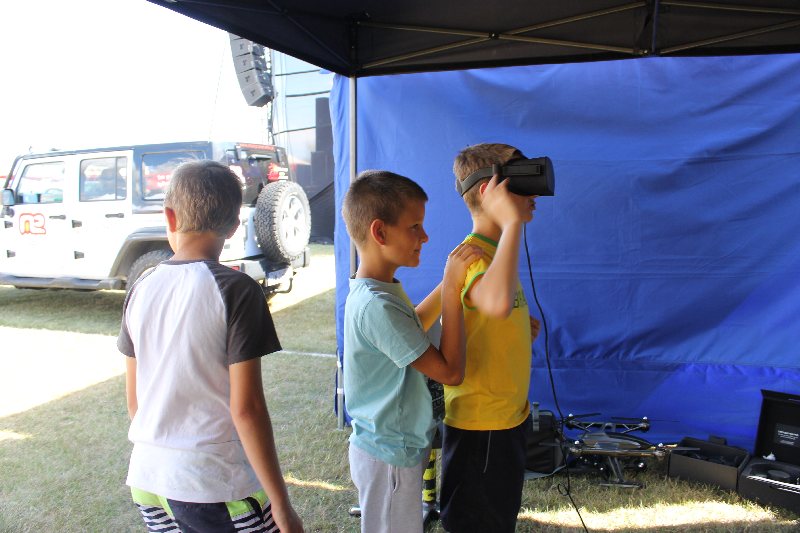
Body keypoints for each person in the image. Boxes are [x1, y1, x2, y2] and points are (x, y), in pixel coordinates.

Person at [118, 160, 303, 533]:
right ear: (235, 226)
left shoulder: (140, 287)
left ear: (169, 216)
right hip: (213, 484)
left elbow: (135, 402)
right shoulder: (238, 290)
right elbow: (247, 409)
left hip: (148, 479)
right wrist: (282, 506)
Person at [341, 170, 482, 533]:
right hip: (389, 455)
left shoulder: (380, 289)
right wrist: (452, 291)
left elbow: (413, 328)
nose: (425, 236)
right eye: (414, 227)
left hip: (395, 449)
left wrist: (451, 279)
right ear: (380, 232)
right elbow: (450, 372)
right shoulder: (377, 305)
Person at [439, 143, 542, 533]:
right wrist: (512, 224)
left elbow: (493, 313)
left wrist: (516, 329)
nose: (533, 195)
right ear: (490, 192)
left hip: (505, 419)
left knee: (498, 519)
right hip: (482, 427)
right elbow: (496, 303)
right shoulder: (475, 257)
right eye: (522, 185)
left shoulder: (495, 254)